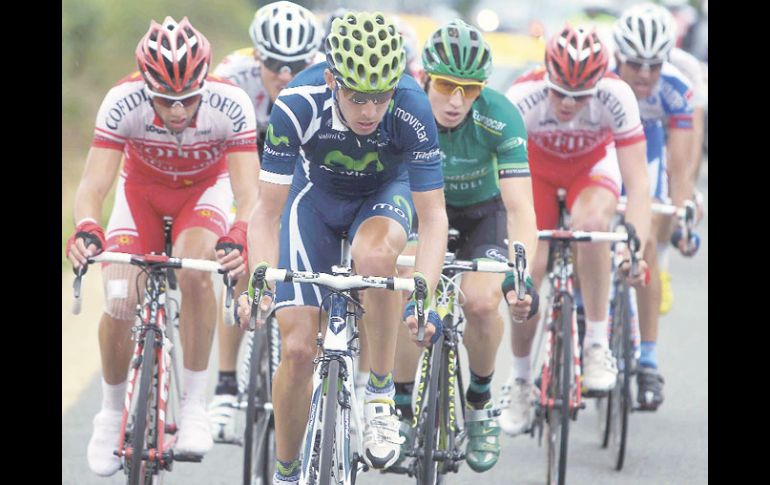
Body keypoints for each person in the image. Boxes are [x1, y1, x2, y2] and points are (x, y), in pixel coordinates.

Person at [236, 12, 448, 484]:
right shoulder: (296, 103)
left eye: (380, 96)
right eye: (357, 97)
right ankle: (288, 472)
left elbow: (433, 218)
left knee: (375, 258)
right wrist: (260, 280)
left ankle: (378, 395)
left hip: (382, 196)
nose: (370, 111)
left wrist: (425, 295)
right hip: (313, 201)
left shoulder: (412, 107)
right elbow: (265, 214)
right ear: (332, 79)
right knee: (295, 349)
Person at [65, 16, 259, 476]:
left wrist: (239, 234)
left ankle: (192, 404)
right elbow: (93, 185)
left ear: (204, 82)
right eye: (166, 100)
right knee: (118, 298)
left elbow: (250, 195)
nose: (177, 110)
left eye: (188, 99)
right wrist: (88, 226)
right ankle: (111, 411)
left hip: (203, 195)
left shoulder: (230, 104)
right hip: (142, 196)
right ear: (145, 85)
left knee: (195, 270)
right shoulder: (122, 100)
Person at [389, 19, 538, 472]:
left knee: (481, 301)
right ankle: (398, 405)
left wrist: (521, 271)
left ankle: (479, 403)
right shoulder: (401, 107)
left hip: (480, 214)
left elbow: (521, 210)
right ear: (424, 78)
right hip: (418, 209)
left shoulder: (501, 115)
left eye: (469, 90)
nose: (456, 101)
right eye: (447, 85)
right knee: (406, 286)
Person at [501, 24, 651, 434]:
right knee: (531, 267)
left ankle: (597, 343)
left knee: (592, 225)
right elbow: (502, 180)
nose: (568, 103)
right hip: (538, 174)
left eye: (580, 95)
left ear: (598, 85)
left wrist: (633, 250)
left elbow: (638, 184)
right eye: (559, 90)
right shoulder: (522, 97)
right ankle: (518, 380)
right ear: (545, 75)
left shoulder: (617, 96)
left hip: (591, 170)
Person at [206, 0, 323, 442]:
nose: (285, 74)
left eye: (297, 63)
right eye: (274, 63)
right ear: (257, 56)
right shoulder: (232, 77)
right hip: (244, 165)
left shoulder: (322, 81)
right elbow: (215, 155)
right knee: (238, 259)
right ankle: (224, 384)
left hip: (300, 169)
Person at [612, 2, 698, 410]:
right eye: (635, 63)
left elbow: (681, 168)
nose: (645, 74)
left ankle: (647, 361)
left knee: (645, 242)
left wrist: (681, 216)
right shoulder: (603, 80)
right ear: (618, 57)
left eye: (654, 65)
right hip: (607, 145)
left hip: (650, 146)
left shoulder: (677, 88)